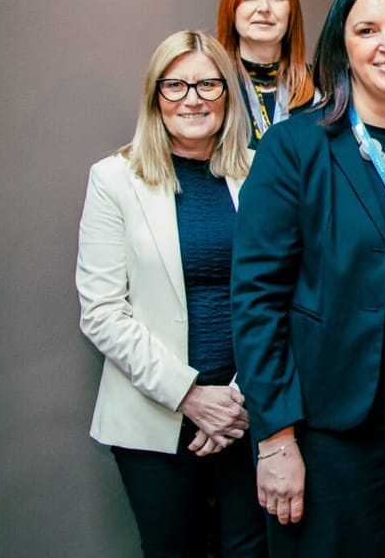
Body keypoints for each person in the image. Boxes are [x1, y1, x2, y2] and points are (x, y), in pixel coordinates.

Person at [230, 0, 385, 556]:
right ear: (341, 47)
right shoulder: (295, 146)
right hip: (327, 435)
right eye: (367, 30)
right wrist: (275, 438)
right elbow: (256, 302)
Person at [76, 30, 264, 557]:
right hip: (154, 416)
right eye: (175, 85)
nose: (193, 99)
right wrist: (190, 397)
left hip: (246, 409)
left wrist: (238, 399)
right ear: (155, 96)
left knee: (253, 550)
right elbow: (102, 311)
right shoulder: (114, 179)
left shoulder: (261, 172)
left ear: (227, 94)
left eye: (208, 84)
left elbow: (285, 294)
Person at [215, 0, 317, 146]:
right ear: (231, 9)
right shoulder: (211, 86)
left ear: (291, 11)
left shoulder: (322, 86)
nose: (264, 8)